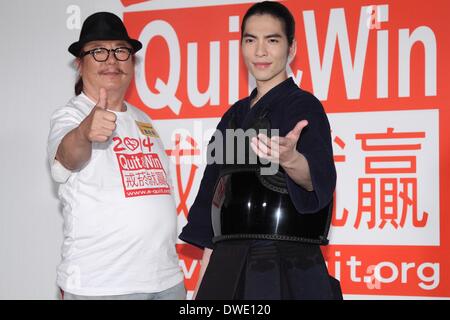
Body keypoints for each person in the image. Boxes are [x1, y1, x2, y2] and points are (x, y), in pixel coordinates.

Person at [179, 1, 342, 299]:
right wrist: (201, 289)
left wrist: (291, 159)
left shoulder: (304, 107)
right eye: (250, 40)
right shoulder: (233, 115)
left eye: (272, 40)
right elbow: (211, 200)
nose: (260, 51)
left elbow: (317, 179)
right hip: (227, 263)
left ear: (291, 49)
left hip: (286, 264)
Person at [47, 12, 185, 300]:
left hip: (165, 280)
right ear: (79, 63)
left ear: (132, 61)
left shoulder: (143, 119)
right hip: (103, 286)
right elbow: (65, 160)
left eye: (121, 50)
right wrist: (85, 132)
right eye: (98, 51)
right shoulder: (70, 115)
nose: (111, 59)